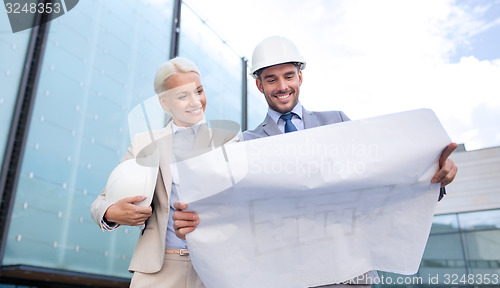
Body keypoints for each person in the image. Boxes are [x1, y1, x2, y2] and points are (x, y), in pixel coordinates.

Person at [172, 36, 458, 287]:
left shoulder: (338, 123)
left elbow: (378, 179)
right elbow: (232, 211)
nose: (282, 86)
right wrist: (197, 222)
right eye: (271, 79)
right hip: (282, 276)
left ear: (300, 77)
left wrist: (433, 176)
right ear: (259, 86)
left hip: (347, 273)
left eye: (289, 76)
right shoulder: (244, 145)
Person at [90, 57, 239, 288]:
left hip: (215, 269)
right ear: (164, 103)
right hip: (158, 270)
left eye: (198, 91)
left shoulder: (229, 142)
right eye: (183, 96)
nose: (195, 101)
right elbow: (99, 203)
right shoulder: (144, 144)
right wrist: (112, 212)